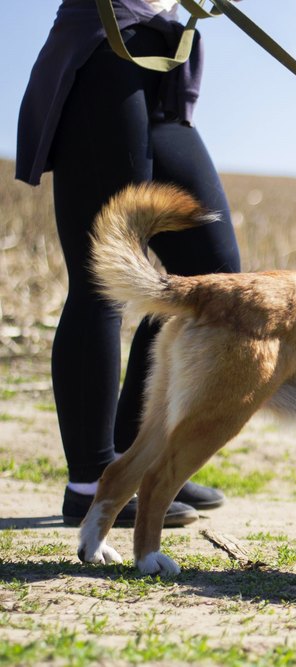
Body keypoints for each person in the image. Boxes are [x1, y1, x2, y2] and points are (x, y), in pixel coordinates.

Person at [16, 0, 241, 527]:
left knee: (210, 274)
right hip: (104, 45)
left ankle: (130, 460)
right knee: (103, 280)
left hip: (164, 57)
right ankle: (90, 483)